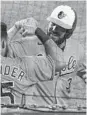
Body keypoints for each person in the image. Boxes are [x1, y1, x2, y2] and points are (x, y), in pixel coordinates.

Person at [23, 5, 86, 108]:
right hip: (35, 110)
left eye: (61, 27)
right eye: (53, 24)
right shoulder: (30, 45)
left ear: (69, 33)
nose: (54, 29)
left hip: (63, 110)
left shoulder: (77, 50)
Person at [1, 21, 66, 108]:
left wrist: (14, 28)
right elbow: (59, 63)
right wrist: (37, 31)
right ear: (3, 43)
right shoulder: (24, 66)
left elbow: (4, 48)